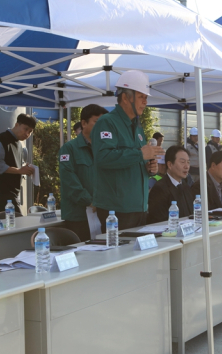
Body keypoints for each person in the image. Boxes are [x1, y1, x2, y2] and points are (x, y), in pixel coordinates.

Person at [91, 70, 165, 232]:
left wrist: (149, 169)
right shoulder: (107, 122)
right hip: (116, 210)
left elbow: (135, 162)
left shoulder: (137, 126)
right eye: (141, 97)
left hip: (138, 207)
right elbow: (103, 157)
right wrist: (140, 154)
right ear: (125, 97)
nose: (145, 102)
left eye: (146, 97)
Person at [58, 104, 108, 241]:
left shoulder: (105, 148)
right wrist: (90, 201)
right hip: (79, 216)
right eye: (97, 122)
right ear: (84, 123)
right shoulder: (69, 149)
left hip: (103, 213)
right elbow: (69, 181)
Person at [0, 113, 36, 215]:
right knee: (17, 221)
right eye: (25, 129)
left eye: (30, 131)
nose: (27, 133)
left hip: (13, 191)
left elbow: (15, 164)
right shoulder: (2, 139)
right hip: (2, 190)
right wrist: (20, 170)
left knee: (13, 222)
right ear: (16, 125)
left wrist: (24, 168)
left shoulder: (19, 143)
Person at [147, 146, 194, 224]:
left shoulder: (185, 186)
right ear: (169, 164)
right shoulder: (159, 189)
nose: (186, 166)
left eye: (188, 162)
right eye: (182, 162)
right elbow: (159, 221)